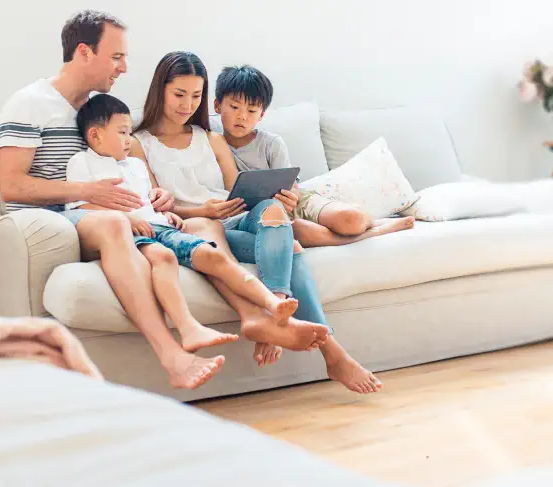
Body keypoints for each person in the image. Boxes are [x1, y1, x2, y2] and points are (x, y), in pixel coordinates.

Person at [0, 10, 225, 389]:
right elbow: (12, 187)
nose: (125, 68)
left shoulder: (99, 112)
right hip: (47, 218)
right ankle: (171, 356)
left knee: (167, 237)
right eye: (117, 57)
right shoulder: (29, 104)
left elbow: (125, 169)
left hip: (97, 215)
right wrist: (87, 193)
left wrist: (154, 195)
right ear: (84, 52)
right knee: (116, 223)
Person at [130, 51, 383, 394]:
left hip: (235, 220)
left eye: (195, 96)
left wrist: (261, 200)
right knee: (290, 246)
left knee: (270, 208)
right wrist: (202, 211)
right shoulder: (137, 144)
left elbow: (240, 194)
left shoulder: (211, 138)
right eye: (179, 94)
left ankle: (277, 305)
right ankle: (332, 353)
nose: (187, 104)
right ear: (160, 90)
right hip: (197, 228)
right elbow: (154, 208)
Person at [68, 94, 318, 372]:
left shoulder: (135, 166)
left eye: (129, 132)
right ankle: (193, 327)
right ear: (95, 135)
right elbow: (81, 206)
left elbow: (147, 203)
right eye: (122, 132)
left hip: (163, 226)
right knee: (164, 259)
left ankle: (272, 304)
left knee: (213, 255)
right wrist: (127, 218)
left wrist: (166, 211)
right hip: (138, 233)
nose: (128, 139)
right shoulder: (82, 162)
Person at [213, 65, 415, 248]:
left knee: (351, 220)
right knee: (298, 231)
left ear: (261, 115)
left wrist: (290, 198)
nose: (242, 116)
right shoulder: (210, 145)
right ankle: (372, 233)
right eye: (234, 107)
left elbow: (292, 187)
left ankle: (373, 223)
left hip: (299, 203)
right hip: (264, 218)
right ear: (217, 106)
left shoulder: (271, 143)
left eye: (251, 110)